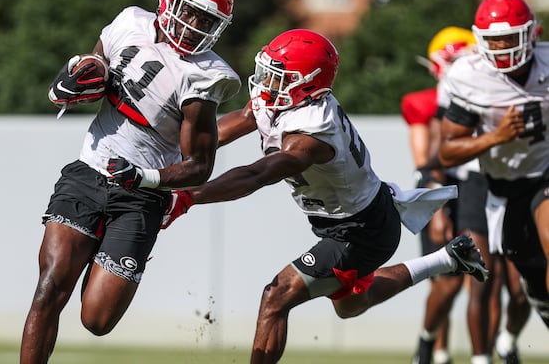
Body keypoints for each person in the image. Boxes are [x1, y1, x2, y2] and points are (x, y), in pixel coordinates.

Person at [160, 28, 489, 364]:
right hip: (352, 218)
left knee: (276, 296)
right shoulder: (292, 97)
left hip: (360, 230)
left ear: (309, 83)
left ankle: (446, 260)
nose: (266, 83)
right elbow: (245, 117)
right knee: (352, 304)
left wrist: (188, 196)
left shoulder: (312, 133)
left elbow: (257, 174)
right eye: (269, 71)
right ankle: (446, 259)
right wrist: (175, 153)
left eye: (279, 76)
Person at [20, 0, 239, 363]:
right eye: (188, 10)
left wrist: (147, 178)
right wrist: (71, 79)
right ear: (169, 0)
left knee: (97, 319)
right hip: (89, 171)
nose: (192, 25)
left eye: (206, 18)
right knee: (49, 287)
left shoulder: (205, 75)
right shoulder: (130, 22)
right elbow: (94, 66)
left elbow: (199, 166)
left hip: (141, 196)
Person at [438, 0, 549, 346]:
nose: (502, 46)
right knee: (530, 276)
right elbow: (448, 152)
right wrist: (495, 137)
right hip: (503, 188)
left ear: (532, 34)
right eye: (493, 39)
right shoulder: (470, 76)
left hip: (545, 173)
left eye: (510, 37)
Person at [405, 27, 500, 364]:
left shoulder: (498, 84)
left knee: (485, 272)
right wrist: (437, 205)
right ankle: (428, 343)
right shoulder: (440, 94)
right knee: (446, 282)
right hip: (442, 185)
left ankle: (481, 357)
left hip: (478, 183)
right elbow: (430, 158)